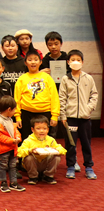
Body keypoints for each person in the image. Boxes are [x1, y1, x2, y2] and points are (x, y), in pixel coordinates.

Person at [59, 49, 98, 180]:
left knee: (86, 143)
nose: (75, 62)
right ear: (68, 62)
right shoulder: (65, 79)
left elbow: (94, 95)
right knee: (71, 144)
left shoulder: (88, 78)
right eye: (73, 60)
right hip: (70, 118)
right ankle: (71, 166)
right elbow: (62, 98)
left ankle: (89, 167)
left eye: (78, 60)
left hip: (85, 118)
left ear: (82, 62)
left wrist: (88, 109)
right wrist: (63, 116)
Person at [14, 49, 59, 140]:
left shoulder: (47, 78)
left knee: (45, 140)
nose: (33, 62)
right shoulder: (21, 79)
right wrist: (17, 117)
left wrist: (55, 115)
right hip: (26, 114)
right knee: (28, 140)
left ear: (40, 62)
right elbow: (16, 99)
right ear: (25, 63)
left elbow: (54, 97)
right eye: (30, 60)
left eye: (36, 59)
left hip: (45, 112)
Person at [0, 96, 25, 193]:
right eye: (14, 109)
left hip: (12, 148)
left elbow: (14, 130)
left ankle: (13, 183)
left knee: (13, 166)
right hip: (3, 149)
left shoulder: (9, 119)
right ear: (9, 109)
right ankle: (3, 183)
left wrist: (17, 137)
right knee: (3, 166)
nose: (15, 112)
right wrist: (11, 141)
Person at [17, 115, 66, 185]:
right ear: (32, 129)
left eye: (44, 128)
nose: (42, 131)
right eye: (38, 128)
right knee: (28, 158)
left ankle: (48, 176)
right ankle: (33, 177)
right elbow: (18, 152)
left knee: (57, 157)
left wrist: (56, 150)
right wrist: (30, 151)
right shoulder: (28, 140)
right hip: (34, 164)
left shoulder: (51, 140)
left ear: (48, 130)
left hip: (45, 164)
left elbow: (63, 150)